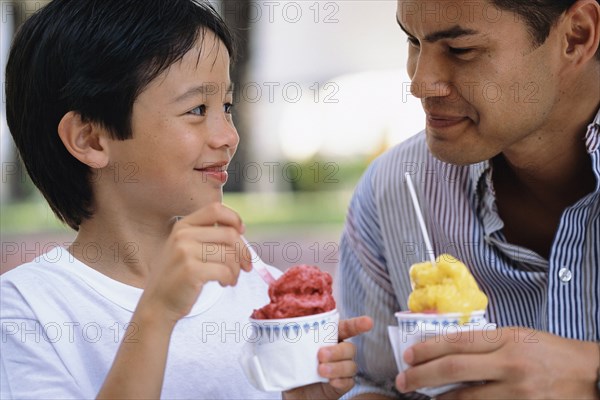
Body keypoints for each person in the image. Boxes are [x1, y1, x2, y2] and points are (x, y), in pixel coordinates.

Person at [0, 0, 373, 398]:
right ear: (90, 138)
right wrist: (157, 313)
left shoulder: (251, 282)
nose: (228, 136)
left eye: (226, 106)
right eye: (197, 109)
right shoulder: (27, 312)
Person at [338, 0, 600, 398]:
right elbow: (369, 383)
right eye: (413, 42)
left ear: (576, 36)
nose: (420, 83)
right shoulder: (391, 191)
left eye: (461, 50)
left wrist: (588, 375)